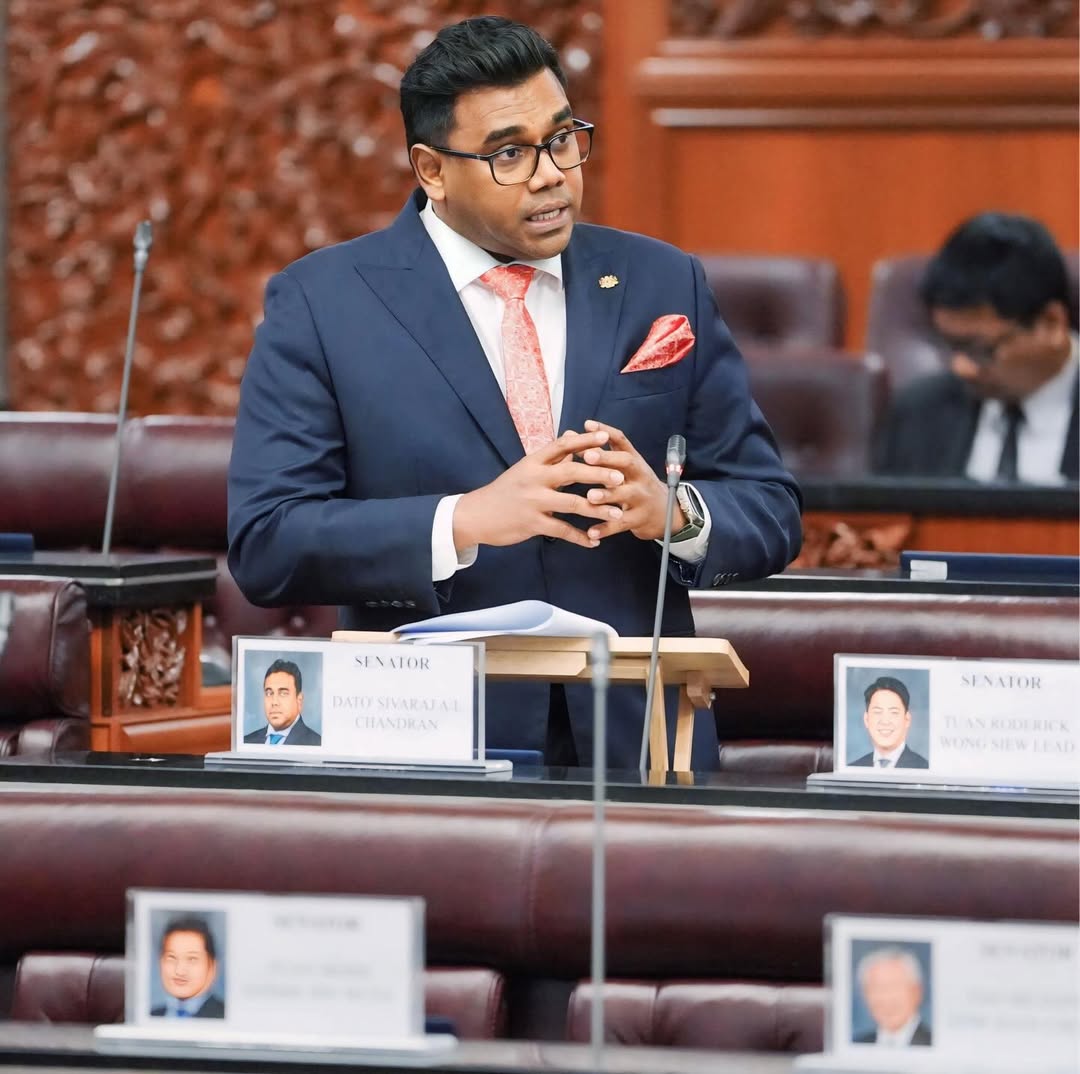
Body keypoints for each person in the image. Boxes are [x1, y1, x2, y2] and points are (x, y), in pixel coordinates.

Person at [227, 16, 801, 769]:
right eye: (509, 154)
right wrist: (464, 520)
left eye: (562, 139)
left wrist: (668, 512)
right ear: (431, 170)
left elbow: (770, 505)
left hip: (636, 742)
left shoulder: (662, 284)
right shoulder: (325, 304)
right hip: (426, 744)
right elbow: (269, 540)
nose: (551, 173)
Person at [874, 212, 1079, 483]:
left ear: (1051, 324)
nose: (962, 368)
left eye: (981, 350)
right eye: (950, 346)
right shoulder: (917, 414)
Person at [854, 946, 932, 1047]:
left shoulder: (934, 1042)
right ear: (865, 995)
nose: (886, 999)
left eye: (894, 987)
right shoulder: (859, 1043)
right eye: (878, 989)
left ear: (916, 992)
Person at [151, 916, 225, 1019]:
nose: (180, 971)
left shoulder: (223, 1015)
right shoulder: (153, 1015)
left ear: (212, 966)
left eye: (192, 959)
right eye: (172, 958)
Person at [850, 676, 928, 769]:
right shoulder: (854, 768)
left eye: (894, 712)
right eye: (878, 712)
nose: (885, 721)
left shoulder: (924, 768)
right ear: (866, 719)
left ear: (907, 719)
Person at [244, 658, 322, 746]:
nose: (274, 702)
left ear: (299, 701)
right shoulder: (247, 741)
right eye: (269, 693)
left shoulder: (316, 743)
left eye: (283, 693)